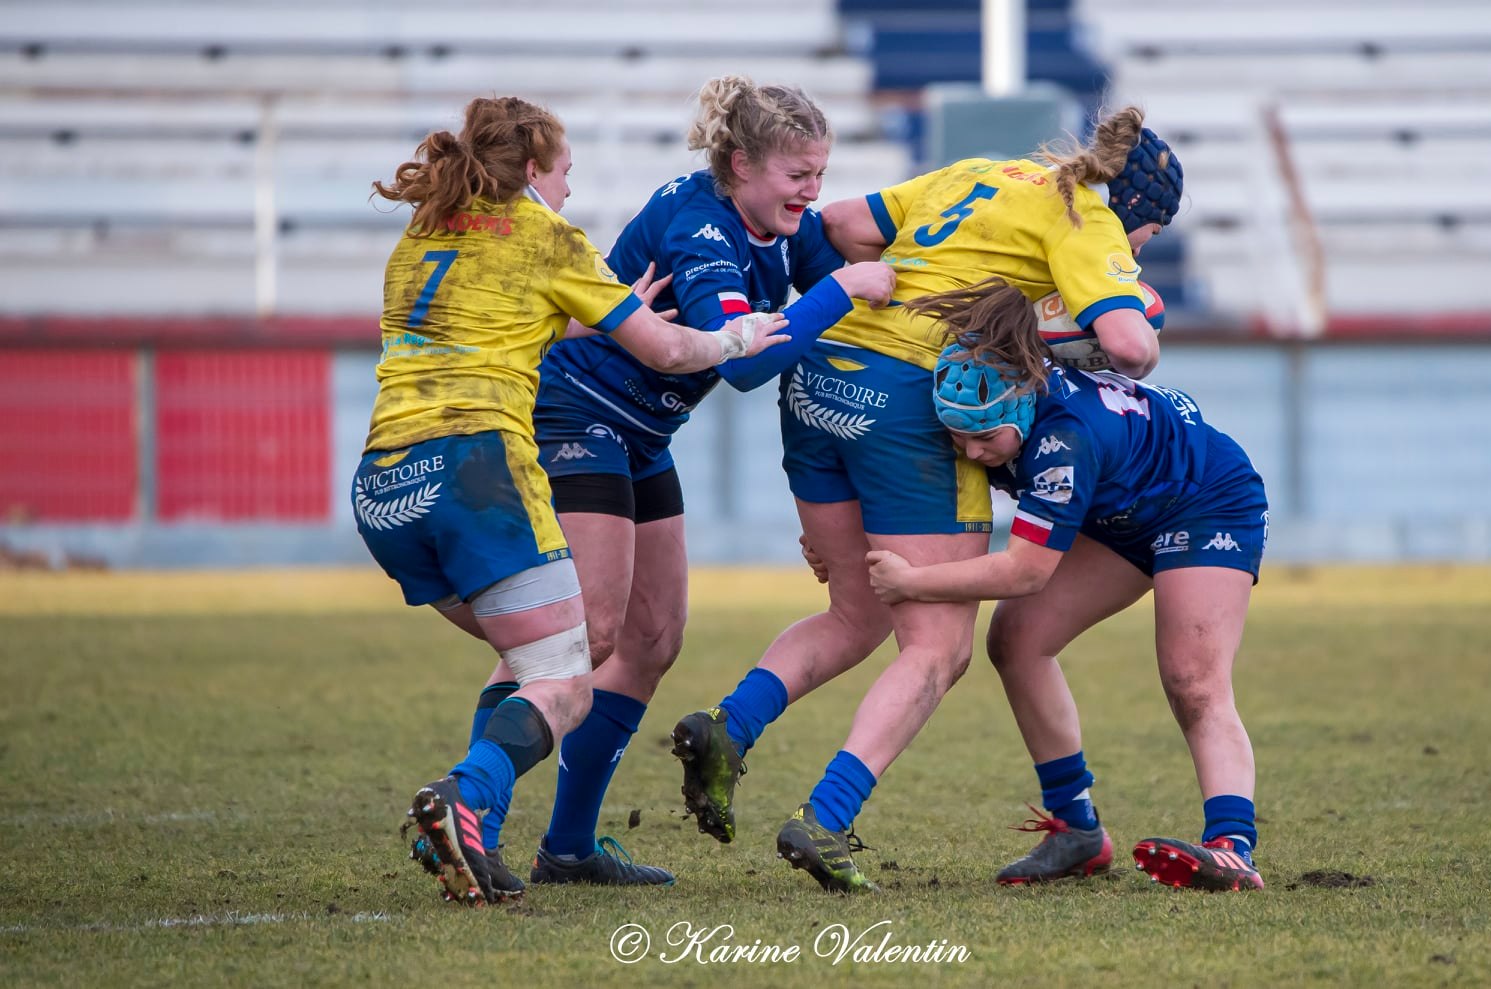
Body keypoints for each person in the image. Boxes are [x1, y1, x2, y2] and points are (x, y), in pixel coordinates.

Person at [672, 107, 1183, 892]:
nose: (1132, 258)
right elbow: (1130, 346)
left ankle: (728, 727)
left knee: (855, 611)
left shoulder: (981, 172)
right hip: (909, 397)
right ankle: (828, 817)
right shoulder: (1090, 220)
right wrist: (1043, 320)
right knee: (938, 648)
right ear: (1135, 215)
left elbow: (842, 223)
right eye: (1140, 247)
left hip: (819, 373)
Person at [444, 77, 894, 888]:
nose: (812, 192)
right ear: (740, 162)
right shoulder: (702, 228)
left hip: (642, 435)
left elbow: (862, 277)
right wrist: (837, 292)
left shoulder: (775, 222)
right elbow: (750, 362)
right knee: (582, 636)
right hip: (577, 416)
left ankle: (568, 848)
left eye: (820, 173)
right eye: (798, 175)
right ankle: (471, 804)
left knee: (651, 639)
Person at [352, 95, 787, 906]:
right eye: (565, 176)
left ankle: (514, 837)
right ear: (533, 173)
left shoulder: (422, 234)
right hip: (477, 468)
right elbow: (667, 347)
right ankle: (464, 798)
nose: (569, 194)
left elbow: (477, 324)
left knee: (554, 653)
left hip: (384, 482)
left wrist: (587, 318)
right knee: (568, 670)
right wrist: (736, 336)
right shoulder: (546, 236)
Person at [861, 278, 1268, 893]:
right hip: (1120, 510)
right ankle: (1077, 830)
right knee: (1018, 641)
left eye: (985, 437)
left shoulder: (1061, 441)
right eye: (958, 437)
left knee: (1193, 680)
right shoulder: (996, 398)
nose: (973, 453)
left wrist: (914, 581)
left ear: (1023, 408)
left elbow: (1025, 571)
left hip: (1205, 499)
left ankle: (1232, 847)